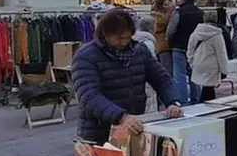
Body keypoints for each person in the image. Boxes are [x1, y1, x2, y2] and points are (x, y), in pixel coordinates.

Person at [72, 9, 182, 144]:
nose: (124, 42)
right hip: (98, 133)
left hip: (133, 127)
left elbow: (162, 79)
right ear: (105, 34)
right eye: (119, 38)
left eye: (128, 37)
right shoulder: (86, 56)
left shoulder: (139, 51)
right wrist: (121, 117)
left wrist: (172, 102)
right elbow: (89, 96)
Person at [166, 0, 204, 105]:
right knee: (195, 73)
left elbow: (171, 30)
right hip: (195, 47)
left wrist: (169, 41)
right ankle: (196, 98)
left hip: (179, 46)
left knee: (180, 75)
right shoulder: (200, 13)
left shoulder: (178, 13)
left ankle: (182, 101)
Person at [187, 12, 230, 103]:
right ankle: (205, 107)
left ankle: (203, 105)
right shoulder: (217, 35)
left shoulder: (195, 33)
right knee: (209, 90)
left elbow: (190, 50)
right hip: (212, 67)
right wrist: (224, 70)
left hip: (198, 64)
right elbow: (221, 54)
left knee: (206, 89)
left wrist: (192, 62)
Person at [132, 16, 159, 114]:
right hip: (147, 82)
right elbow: (153, 66)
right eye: (155, 25)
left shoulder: (135, 40)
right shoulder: (148, 43)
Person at [152, 0, 175, 77]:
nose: (168, 6)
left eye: (169, 4)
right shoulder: (157, 16)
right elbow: (164, 24)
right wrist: (170, 14)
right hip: (163, 44)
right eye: (166, 5)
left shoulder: (170, 14)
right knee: (167, 68)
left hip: (167, 44)